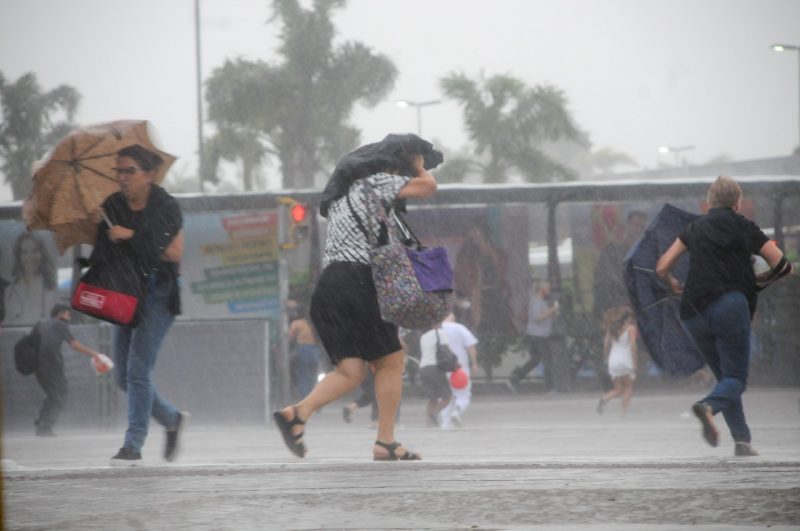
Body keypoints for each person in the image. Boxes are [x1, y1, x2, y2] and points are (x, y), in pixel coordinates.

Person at [273, 147, 437, 461]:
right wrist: (418, 166)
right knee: (391, 360)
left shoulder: (339, 200)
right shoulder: (375, 183)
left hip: (328, 288)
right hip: (358, 281)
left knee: (351, 371)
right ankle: (386, 441)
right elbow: (428, 186)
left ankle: (296, 414)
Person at [656, 175, 794, 457]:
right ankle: (708, 407)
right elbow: (783, 265)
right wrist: (761, 280)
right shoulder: (746, 228)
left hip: (693, 310)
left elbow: (662, 267)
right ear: (737, 202)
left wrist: (672, 284)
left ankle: (742, 440)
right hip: (730, 305)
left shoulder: (694, 228)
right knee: (736, 378)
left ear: (709, 202)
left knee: (725, 377)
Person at [89, 144, 188, 466]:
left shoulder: (165, 206)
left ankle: (133, 444)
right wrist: (101, 229)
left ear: (150, 174)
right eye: (118, 172)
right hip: (126, 293)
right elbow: (106, 255)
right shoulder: (112, 206)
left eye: (129, 171)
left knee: (137, 369)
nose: (122, 178)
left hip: (159, 293)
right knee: (123, 378)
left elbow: (171, 252)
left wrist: (128, 235)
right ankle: (171, 418)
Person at [453, 219, 516, 375]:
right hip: (478, 297)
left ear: (483, 232)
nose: (473, 235)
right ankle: (482, 363)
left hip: (494, 295)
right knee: (480, 327)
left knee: (498, 327)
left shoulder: (494, 251)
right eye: (471, 231)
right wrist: (472, 290)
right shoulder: (466, 253)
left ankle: (492, 363)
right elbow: (462, 276)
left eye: (476, 231)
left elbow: (502, 267)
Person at [32, 303, 106, 436]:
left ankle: (41, 421)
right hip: (52, 365)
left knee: (52, 394)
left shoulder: (41, 324)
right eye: (68, 313)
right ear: (59, 314)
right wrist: (93, 353)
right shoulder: (60, 325)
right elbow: (74, 344)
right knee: (59, 395)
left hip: (38, 366)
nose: (69, 316)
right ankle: (44, 426)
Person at [3, 232, 59, 326]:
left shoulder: (52, 289)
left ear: (42, 254)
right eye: (24, 252)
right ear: (19, 256)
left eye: (35, 250)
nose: (30, 257)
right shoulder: (10, 292)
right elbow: (7, 326)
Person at [510, 280, 558, 390]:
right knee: (547, 360)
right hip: (539, 336)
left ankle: (516, 377)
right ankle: (550, 387)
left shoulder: (536, 301)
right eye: (548, 289)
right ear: (543, 290)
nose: (549, 291)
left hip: (535, 335)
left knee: (536, 359)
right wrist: (553, 310)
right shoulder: (537, 302)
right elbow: (538, 318)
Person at [438, 313, 479, 429]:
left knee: (445, 395)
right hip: (460, 367)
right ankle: (457, 410)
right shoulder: (459, 328)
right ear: (451, 317)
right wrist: (474, 363)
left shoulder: (437, 329)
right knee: (463, 394)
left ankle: (445, 423)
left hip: (442, 367)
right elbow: (471, 346)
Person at [596, 305, 638, 416]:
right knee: (628, 387)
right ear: (628, 318)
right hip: (626, 360)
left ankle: (604, 399)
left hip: (613, 361)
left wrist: (606, 358)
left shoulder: (612, 328)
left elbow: (605, 345)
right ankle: (623, 412)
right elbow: (633, 346)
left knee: (618, 389)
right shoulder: (631, 328)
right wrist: (634, 362)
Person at [418, 323, 455, 427]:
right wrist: (454, 362)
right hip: (435, 368)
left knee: (432, 397)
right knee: (447, 396)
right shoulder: (440, 333)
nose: (441, 324)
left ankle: (428, 423)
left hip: (424, 368)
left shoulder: (423, 336)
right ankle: (434, 413)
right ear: (434, 325)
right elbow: (446, 350)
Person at [287, 299, 322, 400]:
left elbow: (289, 338)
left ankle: (306, 398)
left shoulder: (296, 323)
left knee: (302, 375)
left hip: (303, 350)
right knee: (313, 376)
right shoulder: (310, 323)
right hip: (315, 351)